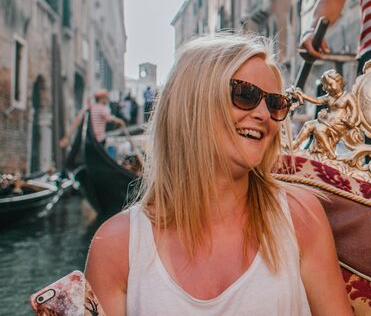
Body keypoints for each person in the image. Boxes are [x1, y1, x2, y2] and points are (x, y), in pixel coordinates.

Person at [84, 34, 353, 315]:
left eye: (275, 104)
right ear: (191, 105)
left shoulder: (301, 217)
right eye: (245, 95)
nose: (264, 114)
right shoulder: (116, 247)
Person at [60, 90, 126, 147]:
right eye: (107, 98)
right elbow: (108, 118)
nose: (108, 100)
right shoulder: (103, 108)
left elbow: (76, 123)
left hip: (87, 140)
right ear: (102, 98)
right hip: (99, 140)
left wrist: (67, 137)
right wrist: (120, 121)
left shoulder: (87, 108)